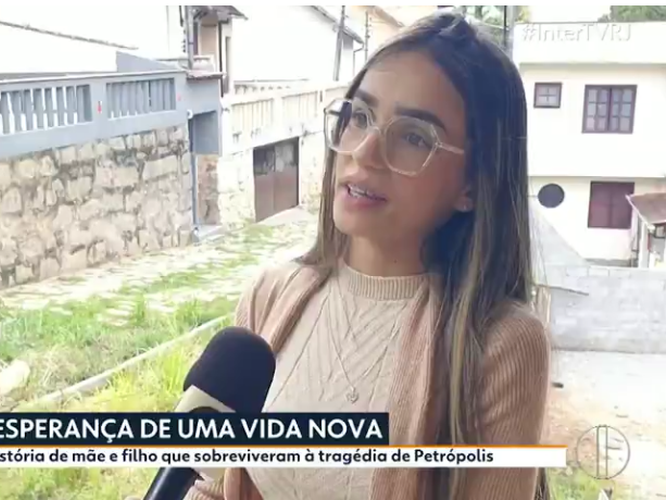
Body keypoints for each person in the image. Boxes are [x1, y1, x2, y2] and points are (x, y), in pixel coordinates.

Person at [186, 12, 551, 500]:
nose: (365, 151)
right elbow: (208, 482)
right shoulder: (270, 295)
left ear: (471, 185)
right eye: (359, 117)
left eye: (415, 136)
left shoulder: (501, 345)